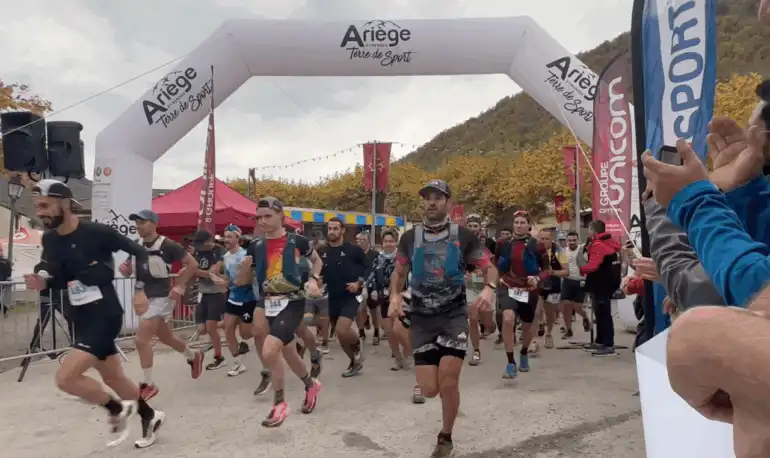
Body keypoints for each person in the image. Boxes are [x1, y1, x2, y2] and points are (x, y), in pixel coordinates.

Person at [24, 179, 164, 448]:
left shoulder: (97, 232)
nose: (39, 212)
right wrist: (43, 282)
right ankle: (151, 415)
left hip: (105, 314)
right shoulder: (50, 239)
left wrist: (139, 289)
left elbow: (140, 253)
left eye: (44, 205)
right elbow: (57, 274)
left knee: (66, 379)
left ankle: (114, 408)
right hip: (79, 315)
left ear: (64, 202)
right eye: (37, 207)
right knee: (113, 377)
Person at [389, 179, 495, 457]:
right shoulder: (409, 238)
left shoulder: (463, 236)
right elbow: (399, 274)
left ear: (448, 203)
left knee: (449, 382)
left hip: (453, 314)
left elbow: (489, 267)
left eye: (438, 197)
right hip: (421, 318)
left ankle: (445, 436)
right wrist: (394, 296)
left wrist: (489, 288)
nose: (432, 202)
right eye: (428, 197)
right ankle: (436, 391)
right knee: (429, 390)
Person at [235, 196, 323, 427]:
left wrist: (313, 280)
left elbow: (317, 261)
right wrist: (244, 269)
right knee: (287, 351)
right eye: (259, 217)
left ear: (280, 217)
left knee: (269, 350)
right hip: (266, 300)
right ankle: (310, 385)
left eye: (267, 216)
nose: (262, 221)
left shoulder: (298, 241)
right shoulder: (256, 245)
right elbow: (243, 281)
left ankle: (280, 403)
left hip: (292, 300)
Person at [119, 209, 204, 400]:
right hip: (144, 297)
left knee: (141, 340)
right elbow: (129, 269)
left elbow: (193, 265)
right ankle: (193, 355)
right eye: (137, 222)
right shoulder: (136, 245)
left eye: (143, 222)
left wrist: (180, 286)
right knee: (165, 337)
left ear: (154, 224)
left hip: (162, 296)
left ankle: (149, 384)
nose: (139, 226)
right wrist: (125, 270)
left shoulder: (168, 245)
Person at [496, 211, 550, 376]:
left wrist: (537, 278)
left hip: (529, 289)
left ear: (529, 225)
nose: (519, 226)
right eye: (516, 223)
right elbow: (495, 264)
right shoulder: (503, 243)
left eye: (522, 223)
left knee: (527, 327)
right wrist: (497, 279)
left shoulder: (537, 245)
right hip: (509, 286)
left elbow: (547, 269)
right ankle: (510, 362)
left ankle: (524, 352)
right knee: (508, 318)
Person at [209, 224, 260, 377]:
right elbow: (228, 277)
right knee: (227, 328)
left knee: (246, 334)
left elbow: (246, 280)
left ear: (238, 239)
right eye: (225, 236)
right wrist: (216, 277)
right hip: (233, 298)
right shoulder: (225, 257)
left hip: (248, 299)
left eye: (230, 237)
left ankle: (250, 340)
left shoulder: (245, 256)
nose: (227, 239)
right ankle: (238, 363)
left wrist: (227, 283)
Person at [320, 217, 368, 377]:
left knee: (342, 329)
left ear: (343, 231)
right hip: (332, 297)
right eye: (330, 228)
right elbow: (318, 273)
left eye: (335, 228)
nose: (332, 232)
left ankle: (358, 347)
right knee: (341, 336)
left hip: (351, 296)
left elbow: (367, 269)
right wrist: (317, 282)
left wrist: (359, 283)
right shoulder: (323, 251)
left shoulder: (353, 250)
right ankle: (354, 361)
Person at [366, 228, 411, 370]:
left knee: (399, 329)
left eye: (391, 241)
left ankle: (408, 353)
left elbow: (406, 277)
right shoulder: (378, 258)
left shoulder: (402, 258)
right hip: (382, 297)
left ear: (396, 242)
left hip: (400, 297)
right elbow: (372, 275)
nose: (388, 244)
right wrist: (370, 289)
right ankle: (398, 359)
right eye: (385, 241)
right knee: (389, 331)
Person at [579, 220, 622, 356]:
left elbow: (593, 266)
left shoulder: (598, 244)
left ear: (593, 230)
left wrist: (581, 269)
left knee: (603, 314)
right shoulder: (610, 242)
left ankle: (608, 344)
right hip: (609, 282)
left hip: (601, 283)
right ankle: (600, 341)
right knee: (600, 313)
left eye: (589, 229)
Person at [191, 230, 229, 370]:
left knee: (211, 326)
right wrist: (204, 273)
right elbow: (193, 270)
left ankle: (219, 357)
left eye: (201, 243)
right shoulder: (196, 251)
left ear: (208, 241)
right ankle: (227, 323)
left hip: (216, 292)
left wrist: (202, 272)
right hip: (202, 292)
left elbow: (215, 272)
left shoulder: (220, 251)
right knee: (202, 329)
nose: (199, 246)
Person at [464, 214, 495, 366]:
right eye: (470, 226)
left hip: (486, 285)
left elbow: (494, 266)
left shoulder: (489, 244)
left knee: (487, 321)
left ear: (480, 228)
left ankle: (491, 325)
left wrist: (486, 276)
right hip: (469, 286)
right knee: (473, 318)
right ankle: (476, 351)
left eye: (475, 226)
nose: (472, 229)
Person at [536, 228, 569, 350]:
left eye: (547, 239)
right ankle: (538, 326)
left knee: (550, 315)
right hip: (538, 285)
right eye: (541, 239)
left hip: (553, 286)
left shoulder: (559, 251)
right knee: (537, 310)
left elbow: (566, 272)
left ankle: (548, 334)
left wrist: (552, 272)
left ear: (552, 239)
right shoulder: (534, 250)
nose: (544, 241)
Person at [560, 231, 590, 338]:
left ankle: (585, 316)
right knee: (566, 307)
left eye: (574, 240)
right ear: (567, 241)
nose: (572, 242)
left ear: (578, 240)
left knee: (576, 307)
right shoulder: (563, 252)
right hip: (567, 281)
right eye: (570, 240)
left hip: (581, 281)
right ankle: (569, 330)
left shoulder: (584, 250)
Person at [356, 231, 380, 344]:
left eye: (363, 240)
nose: (360, 242)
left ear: (368, 241)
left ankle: (376, 331)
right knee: (359, 310)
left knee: (374, 311)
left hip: (372, 287)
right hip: (359, 287)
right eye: (358, 240)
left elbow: (376, 270)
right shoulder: (355, 254)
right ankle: (361, 332)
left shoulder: (375, 254)